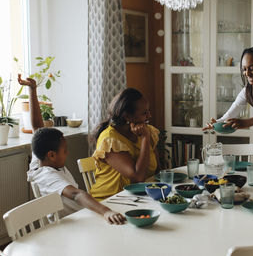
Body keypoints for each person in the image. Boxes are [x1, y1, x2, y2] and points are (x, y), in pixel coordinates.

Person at [20, 77, 125, 224]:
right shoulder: (48, 177)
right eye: (64, 150)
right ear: (51, 155)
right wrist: (106, 211)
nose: (67, 153)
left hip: (84, 216)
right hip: (74, 224)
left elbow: (37, 127)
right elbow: (76, 194)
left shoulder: (41, 161)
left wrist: (32, 90)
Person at [90, 88, 160, 200]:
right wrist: (145, 139)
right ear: (127, 117)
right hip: (110, 201)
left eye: (148, 111)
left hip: (139, 198)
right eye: (144, 113)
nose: (149, 116)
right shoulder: (110, 140)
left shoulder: (148, 131)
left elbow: (158, 173)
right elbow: (138, 177)